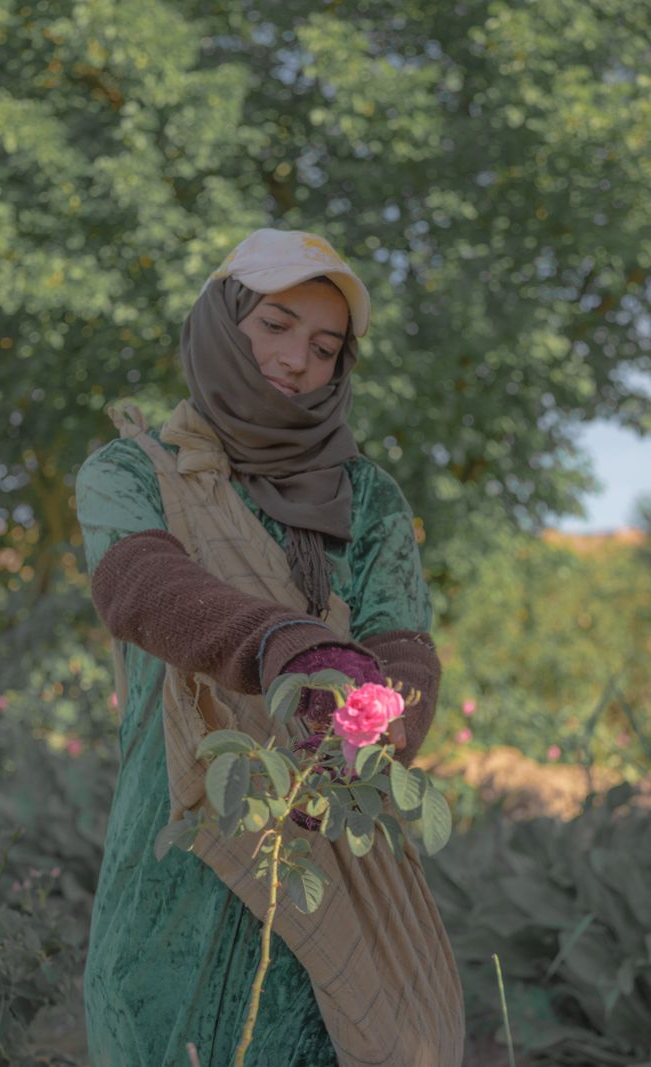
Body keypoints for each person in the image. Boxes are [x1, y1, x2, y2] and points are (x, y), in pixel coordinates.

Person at [75, 229, 464, 1067]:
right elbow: (140, 585)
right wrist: (286, 641)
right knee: (151, 1030)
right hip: (174, 847)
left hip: (327, 826)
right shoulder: (132, 472)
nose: (298, 360)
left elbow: (403, 640)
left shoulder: (367, 498)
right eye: (276, 326)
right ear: (224, 321)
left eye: (324, 347)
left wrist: (376, 719)